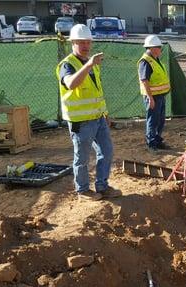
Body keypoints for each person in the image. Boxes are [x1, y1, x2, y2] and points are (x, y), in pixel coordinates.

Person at [56, 24, 121, 201]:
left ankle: (102, 186)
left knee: (106, 152)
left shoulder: (93, 64)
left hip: (98, 118)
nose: (85, 46)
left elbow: (97, 92)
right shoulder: (67, 65)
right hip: (81, 121)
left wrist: (105, 113)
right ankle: (82, 190)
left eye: (87, 42)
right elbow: (71, 84)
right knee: (82, 158)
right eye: (81, 42)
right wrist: (89, 65)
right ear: (73, 43)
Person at [138, 34, 171, 152]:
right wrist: (150, 98)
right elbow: (144, 80)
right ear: (151, 48)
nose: (160, 49)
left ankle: (157, 140)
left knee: (160, 120)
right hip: (153, 97)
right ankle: (151, 143)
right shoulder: (145, 61)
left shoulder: (155, 59)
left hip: (160, 96)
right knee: (152, 120)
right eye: (158, 47)